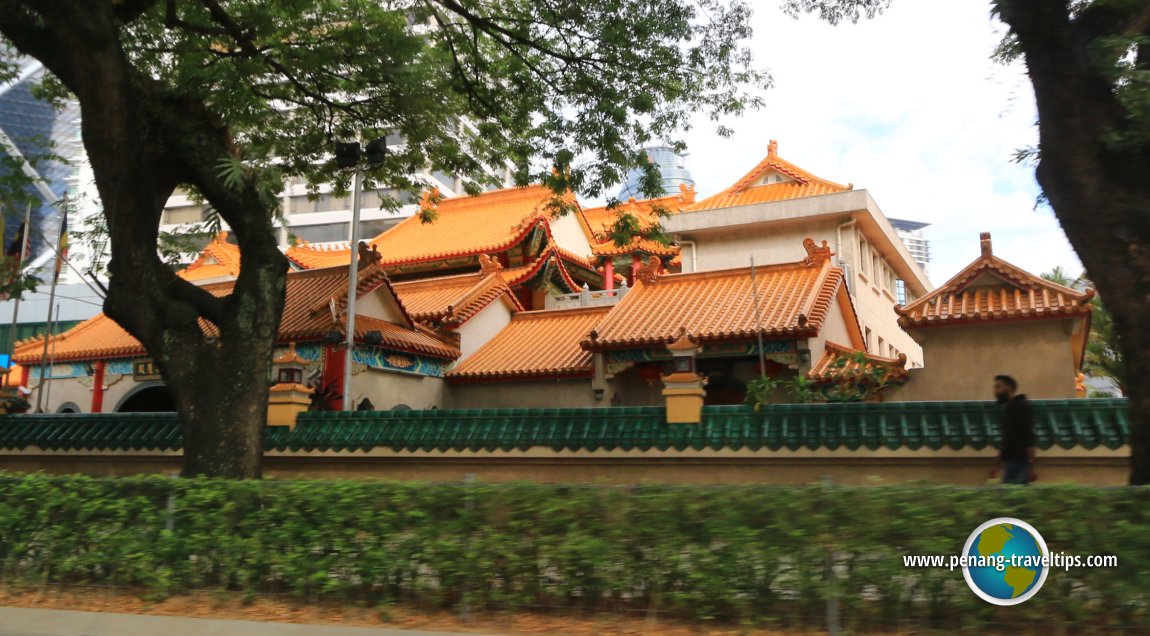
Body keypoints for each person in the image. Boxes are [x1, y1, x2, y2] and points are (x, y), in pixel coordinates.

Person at [988, 375, 1037, 485]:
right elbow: (1007, 441)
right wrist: (996, 464)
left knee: (1013, 498)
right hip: (1011, 463)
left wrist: (1031, 466)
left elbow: (1029, 437)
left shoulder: (1021, 407)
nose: (995, 391)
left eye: (998, 387)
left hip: (1020, 463)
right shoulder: (1009, 409)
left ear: (1008, 388)